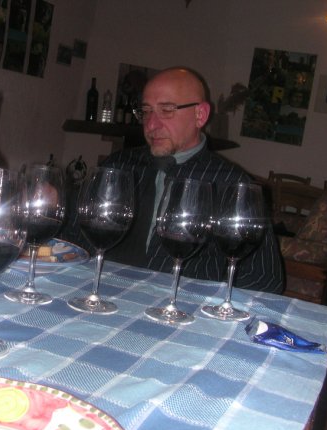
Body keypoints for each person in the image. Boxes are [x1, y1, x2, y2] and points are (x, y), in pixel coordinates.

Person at [62, 67, 284, 294]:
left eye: (166, 110)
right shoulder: (118, 165)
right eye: (146, 111)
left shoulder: (233, 184)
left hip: (184, 306)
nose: (151, 125)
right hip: (102, 294)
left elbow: (264, 279)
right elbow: (74, 239)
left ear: (200, 115)